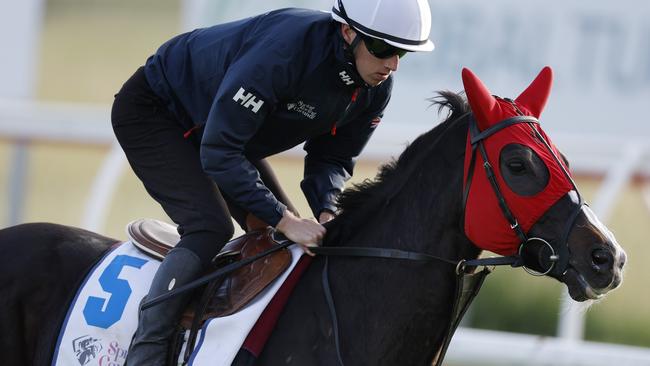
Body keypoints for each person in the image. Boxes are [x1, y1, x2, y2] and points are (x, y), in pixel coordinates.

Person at [111, 0, 435, 364]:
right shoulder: (284, 53)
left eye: (402, 54)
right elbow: (219, 151)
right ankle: (146, 352)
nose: (391, 64)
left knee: (282, 246)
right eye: (382, 48)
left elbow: (332, 158)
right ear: (348, 32)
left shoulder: (375, 89)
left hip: (221, 134)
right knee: (209, 227)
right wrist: (286, 218)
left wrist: (327, 211)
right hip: (156, 112)